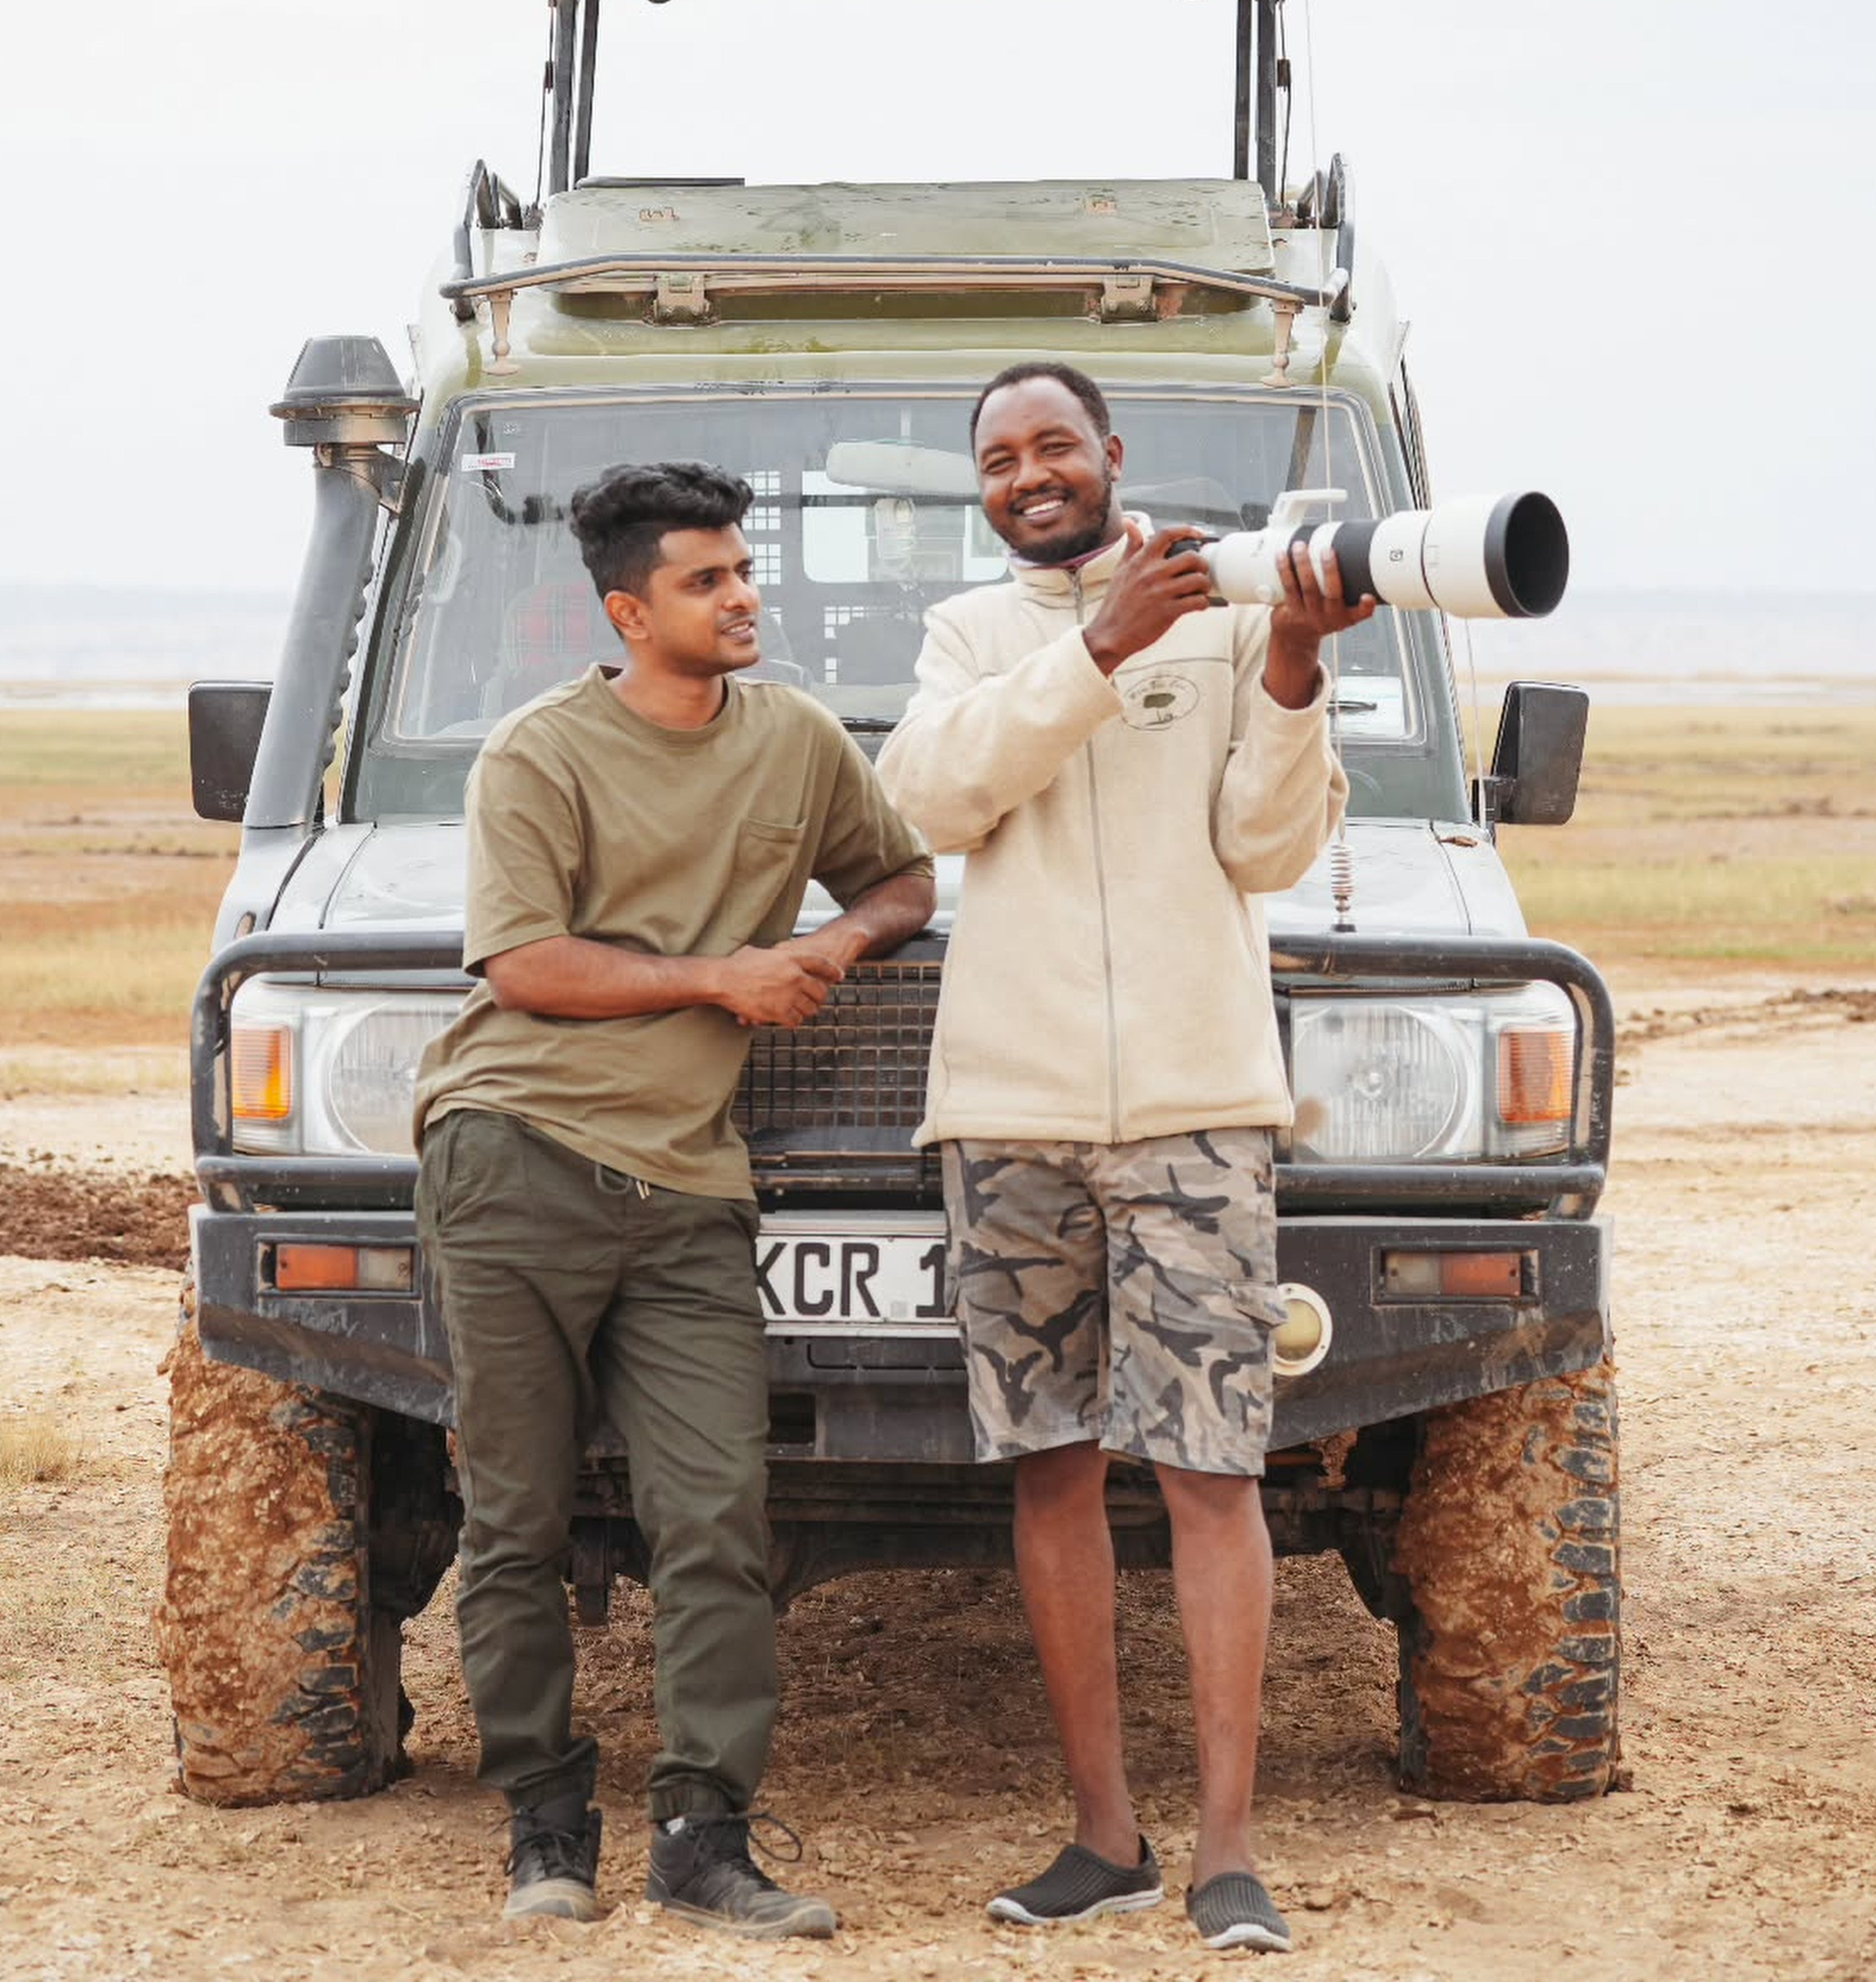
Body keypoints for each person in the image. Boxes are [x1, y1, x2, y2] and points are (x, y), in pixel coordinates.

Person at [876, 362, 1371, 1956]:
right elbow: (936, 795)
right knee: (1052, 1468)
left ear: (1113, 456)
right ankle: (1106, 1835)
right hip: (1008, 1108)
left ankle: (1228, 1851)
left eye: (1056, 446)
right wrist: (1097, 652)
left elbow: (1267, 850)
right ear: (984, 482)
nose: (1031, 475)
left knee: (1216, 1471)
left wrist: (1289, 669)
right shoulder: (969, 636)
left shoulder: (1228, 610)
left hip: (1196, 1103)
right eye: (1001, 455)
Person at [410, 459, 937, 1938]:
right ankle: (544, 1827)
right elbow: (522, 963)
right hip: (515, 1150)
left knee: (713, 1510)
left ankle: (705, 1836)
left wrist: (828, 948)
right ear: (630, 610)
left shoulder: (797, 738)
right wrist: (722, 974)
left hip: (692, 1180)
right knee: (511, 1515)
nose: (743, 596)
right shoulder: (538, 753)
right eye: (707, 581)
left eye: (743, 569)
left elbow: (899, 876)